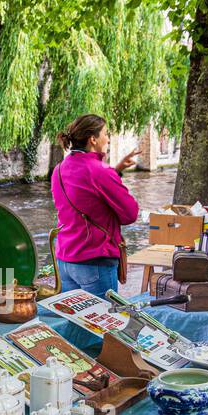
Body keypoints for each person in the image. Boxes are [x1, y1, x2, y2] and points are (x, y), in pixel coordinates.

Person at [50, 113, 141, 297]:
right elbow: (130, 214)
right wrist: (113, 174)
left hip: (66, 260)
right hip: (94, 261)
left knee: (74, 321)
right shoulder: (101, 172)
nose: (108, 138)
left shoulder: (58, 170)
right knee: (104, 323)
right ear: (93, 139)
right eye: (105, 133)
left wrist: (116, 170)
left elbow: (84, 196)